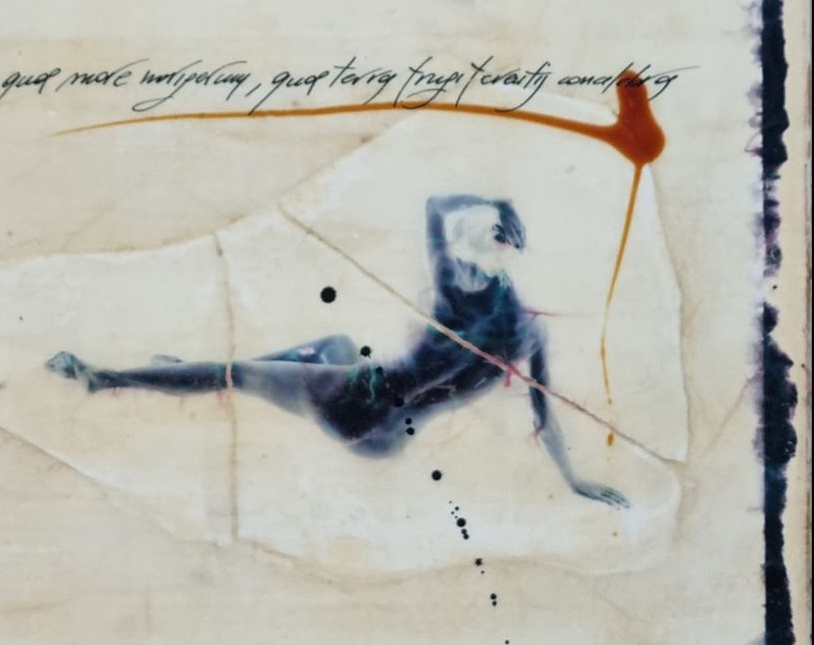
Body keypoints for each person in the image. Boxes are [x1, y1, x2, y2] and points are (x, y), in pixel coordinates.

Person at [46, 195, 627, 508]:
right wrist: (573, 479)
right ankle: (215, 375)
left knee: (237, 372)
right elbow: (543, 416)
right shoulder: (524, 332)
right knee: (333, 345)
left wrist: (492, 201)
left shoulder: (456, 290)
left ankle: (106, 378)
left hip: (352, 403)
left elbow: (433, 206)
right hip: (385, 441)